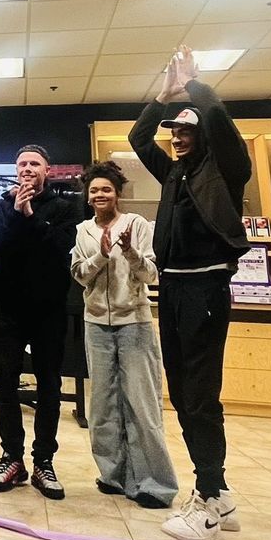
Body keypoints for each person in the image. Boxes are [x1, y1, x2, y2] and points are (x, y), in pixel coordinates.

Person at [129, 45, 251, 540]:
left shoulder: (226, 168)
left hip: (205, 286)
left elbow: (218, 122)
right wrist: (163, 97)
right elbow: (139, 139)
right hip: (174, 286)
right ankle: (219, 491)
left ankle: (208, 499)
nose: (177, 138)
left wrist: (195, 85)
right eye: (174, 132)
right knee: (181, 393)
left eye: (186, 131)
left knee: (199, 395)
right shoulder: (175, 171)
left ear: (203, 135)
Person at [71, 161, 178, 509]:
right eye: (94, 190)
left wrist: (129, 251)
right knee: (103, 405)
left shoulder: (137, 225)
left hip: (134, 322)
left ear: (117, 193)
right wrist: (101, 255)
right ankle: (113, 475)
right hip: (95, 323)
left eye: (106, 189)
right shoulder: (83, 230)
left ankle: (154, 485)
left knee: (141, 404)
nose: (100, 195)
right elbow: (79, 274)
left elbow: (150, 274)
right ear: (88, 196)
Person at [0, 145, 82, 499]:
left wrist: (30, 215)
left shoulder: (65, 208)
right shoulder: (0, 207)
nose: (27, 168)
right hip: (10, 309)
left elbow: (59, 246)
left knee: (49, 385)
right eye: (22, 163)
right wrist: (16, 212)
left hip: (49, 310)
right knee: (5, 382)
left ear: (47, 170)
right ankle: (12, 457)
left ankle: (43, 461)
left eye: (34, 163)